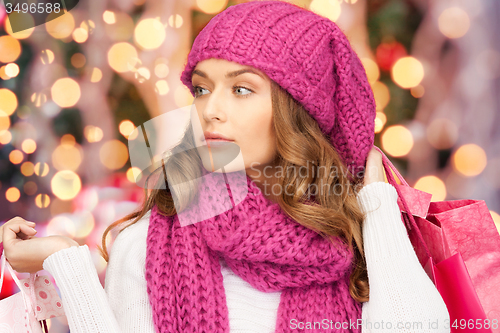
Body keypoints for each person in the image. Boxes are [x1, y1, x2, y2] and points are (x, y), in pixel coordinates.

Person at [0, 1, 450, 332]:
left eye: (240, 90)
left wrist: (374, 198)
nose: (209, 110)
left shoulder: (357, 240)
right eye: (200, 89)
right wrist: (68, 263)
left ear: (300, 112)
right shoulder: (151, 238)